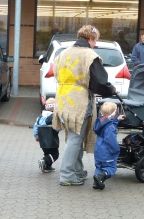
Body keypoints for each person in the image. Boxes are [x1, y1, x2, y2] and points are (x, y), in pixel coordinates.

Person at [52, 25, 117, 186]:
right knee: (75, 139)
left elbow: (55, 73)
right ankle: (67, 175)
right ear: (91, 38)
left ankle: (78, 170)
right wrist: (111, 90)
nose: (95, 44)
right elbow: (99, 82)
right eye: (95, 40)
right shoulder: (89, 55)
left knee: (75, 136)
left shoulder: (64, 53)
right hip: (79, 101)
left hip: (62, 100)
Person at [92, 102, 125, 190]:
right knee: (111, 167)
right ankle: (100, 178)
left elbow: (108, 123)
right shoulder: (110, 127)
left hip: (98, 151)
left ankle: (96, 183)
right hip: (107, 152)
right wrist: (116, 150)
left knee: (99, 167)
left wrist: (117, 120)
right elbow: (111, 141)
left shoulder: (100, 121)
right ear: (114, 113)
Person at [33, 98, 60, 173]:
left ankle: (47, 167)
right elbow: (57, 128)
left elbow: (35, 127)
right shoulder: (53, 118)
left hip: (42, 141)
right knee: (55, 154)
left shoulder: (40, 117)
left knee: (47, 153)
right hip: (52, 140)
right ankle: (44, 161)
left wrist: (37, 136)